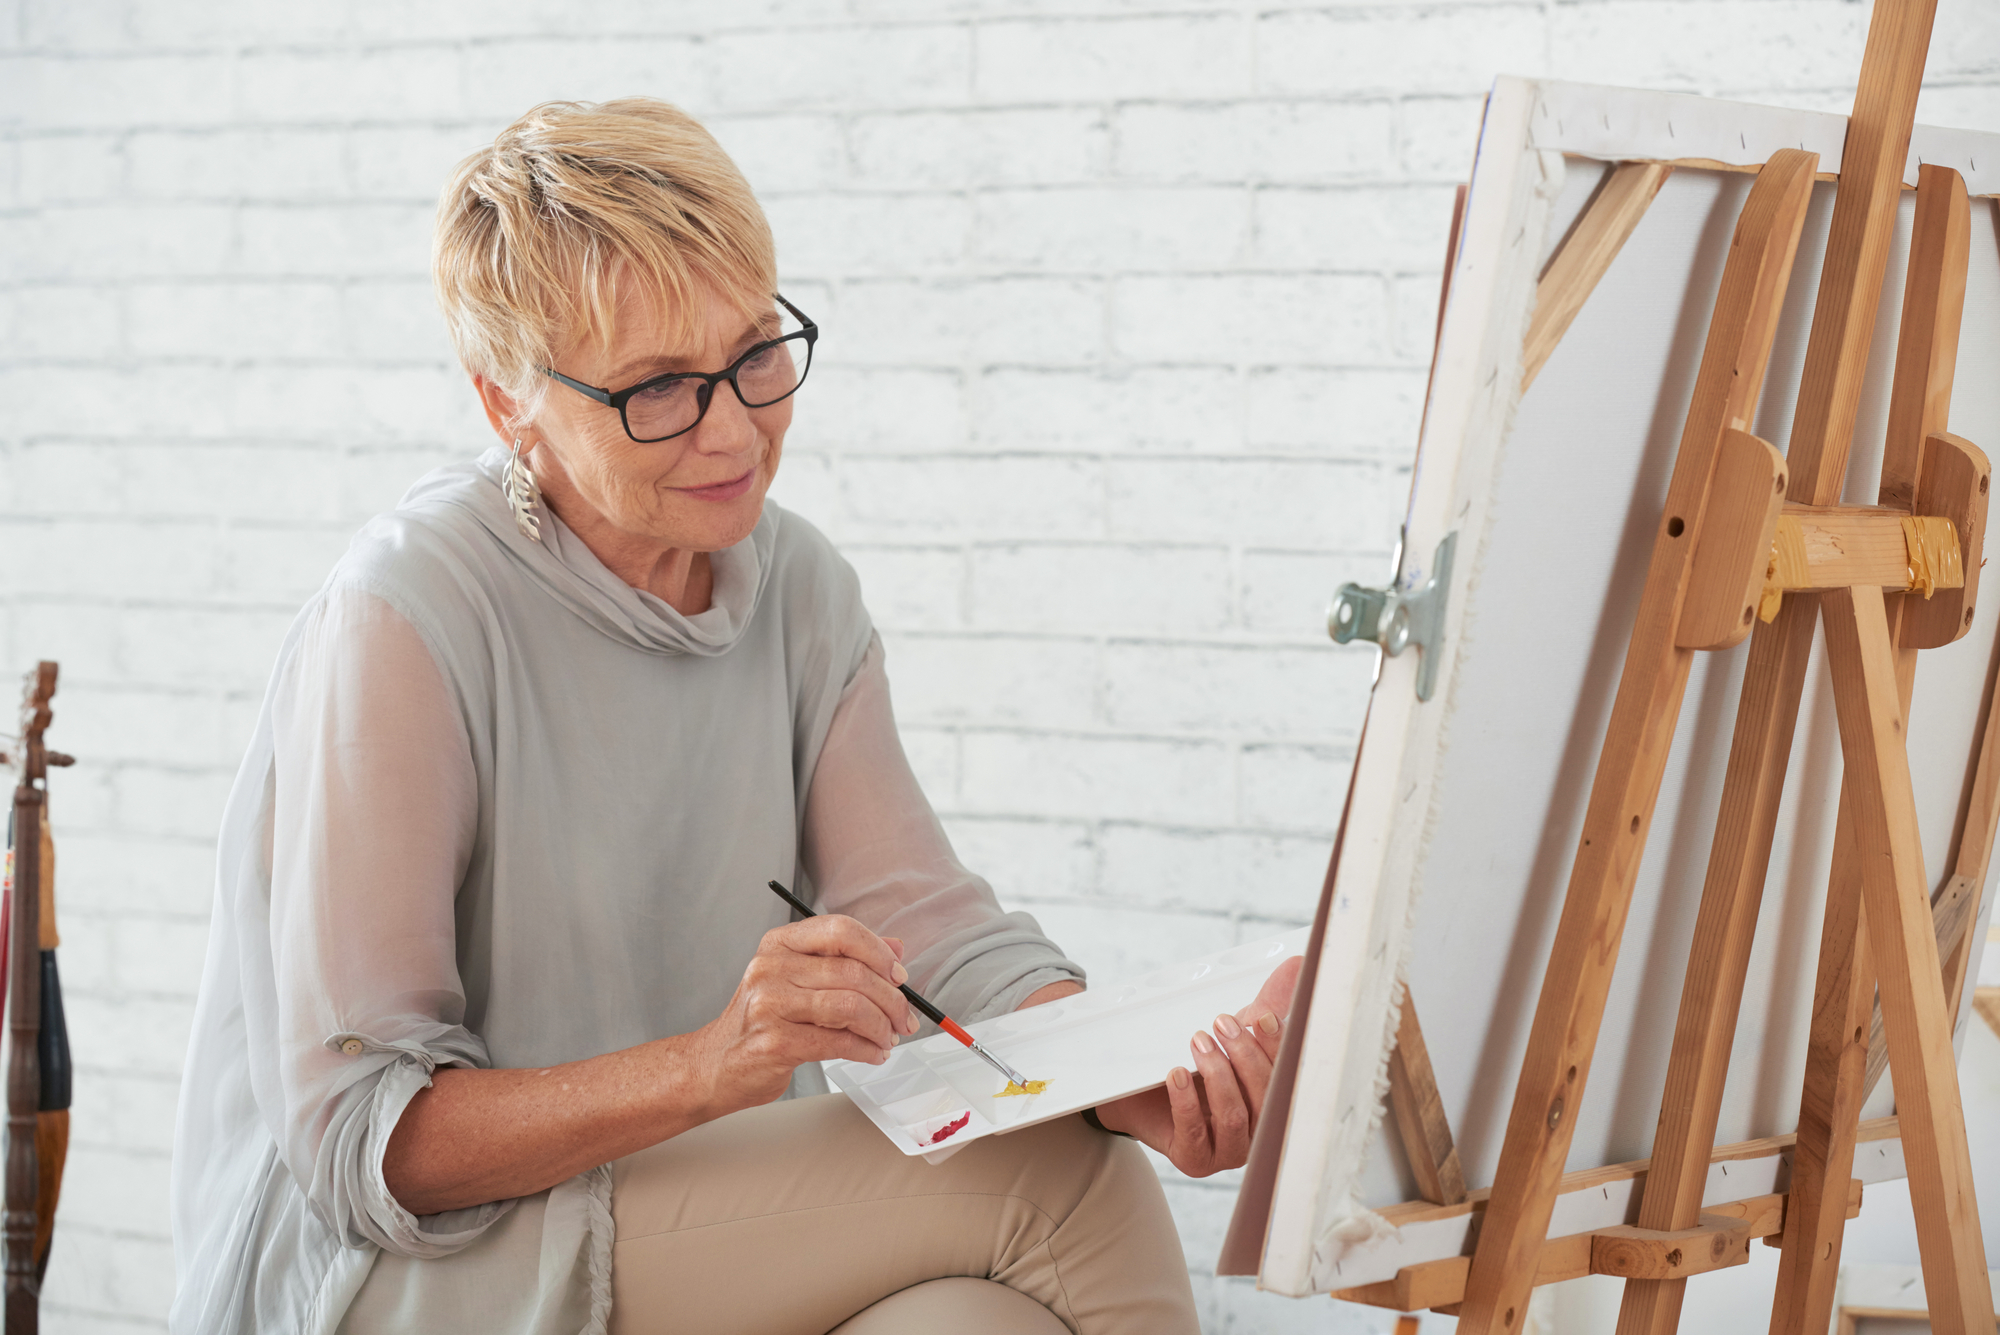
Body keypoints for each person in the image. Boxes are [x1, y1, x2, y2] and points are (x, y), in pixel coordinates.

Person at [169, 98, 1300, 1335]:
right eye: (658, 387)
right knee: (1060, 1185)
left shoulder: (795, 585)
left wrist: (1134, 1086)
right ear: (508, 406)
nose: (733, 429)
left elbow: (931, 929)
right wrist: (711, 1066)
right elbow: (366, 1142)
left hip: (688, 1221)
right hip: (416, 1265)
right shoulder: (407, 614)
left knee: (985, 1326)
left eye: (756, 352)